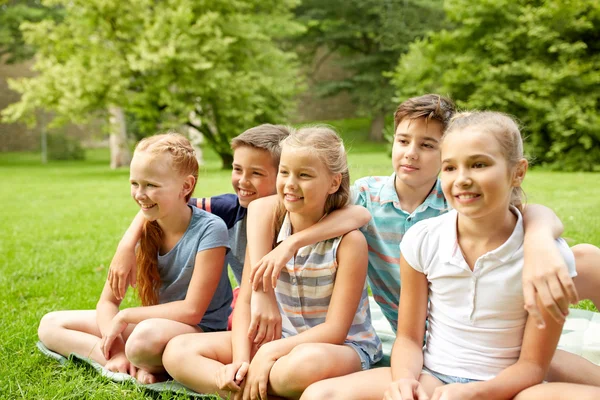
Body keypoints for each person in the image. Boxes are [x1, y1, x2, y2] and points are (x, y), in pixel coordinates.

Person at [247, 95, 600, 398]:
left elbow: (529, 213)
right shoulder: (369, 199)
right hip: (428, 347)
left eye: (428, 145)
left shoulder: (461, 203)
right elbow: (333, 211)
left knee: (556, 331)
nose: (411, 154)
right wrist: (289, 246)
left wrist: (540, 240)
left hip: (500, 337)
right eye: (403, 141)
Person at [382, 111, 596, 400]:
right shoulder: (423, 239)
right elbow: (408, 337)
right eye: (449, 168)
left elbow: (533, 365)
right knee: (324, 393)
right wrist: (404, 381)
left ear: (518, 172)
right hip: (434, 374)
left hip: (512, 383)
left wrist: (476, 392)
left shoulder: (546, 259)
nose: (462, 179)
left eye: (478, 164)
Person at [162, 126, 382, 400]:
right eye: (285, 172)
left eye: (305, 175)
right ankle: (248, 383)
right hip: (279, 340)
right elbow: (245, 303)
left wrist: (269, 352)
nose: (290, 183)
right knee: (177, 351)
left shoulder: (349, 243)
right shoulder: (269, 227)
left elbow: (335, 331)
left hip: (337, 348)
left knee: (305, 363)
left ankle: (245, 388)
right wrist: (241, 360)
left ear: (334, 183)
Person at [107, 125, 371, 332]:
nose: (243, 181)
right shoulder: (228, 208)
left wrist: (293, 242)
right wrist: (126, 245)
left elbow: (359, 214)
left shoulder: (307, 211)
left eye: (256, 173)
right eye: (237, 169)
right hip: (252, 308)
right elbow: (163, 205)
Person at [37, 133, 231, 384]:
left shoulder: (211, 229)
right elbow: (107, 303)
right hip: (151, 327)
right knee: (51, 324)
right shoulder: (142, 231)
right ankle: (122, 362)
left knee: (142, 339)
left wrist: (127, 316)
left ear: (185, 186)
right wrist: (116, 347)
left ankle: (141, 361)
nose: (140, 194)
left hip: (197, 332)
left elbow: (192, 311)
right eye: (135, 183)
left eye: (151, 185)